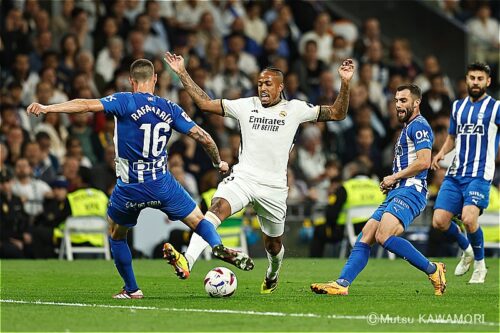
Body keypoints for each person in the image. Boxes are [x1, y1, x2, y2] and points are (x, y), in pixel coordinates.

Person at [26, 58, 254, 299]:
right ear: (155, 79)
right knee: (199, 220)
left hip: (130, 188)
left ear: (131, 81)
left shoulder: (123, 100)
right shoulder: (169, 107)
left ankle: (132, 289)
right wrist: (218, 161)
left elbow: (84, 104)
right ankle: (216, 244)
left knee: (116, 234)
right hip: (162, 184)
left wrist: (49, 108)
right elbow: (204, 137)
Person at [165, 51, 355, 293]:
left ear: (280, 86)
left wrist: (345, 83)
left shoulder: (295, 109)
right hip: (243, 177)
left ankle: (272, 273)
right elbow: (204, 103)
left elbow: (338, 113)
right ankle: (187, 260)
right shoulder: (246, 105)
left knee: (274, 245)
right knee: (216, 208)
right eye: (259, 84)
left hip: (274, 187)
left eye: (268, 84)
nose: (262, 88)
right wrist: (182, 72)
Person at [311, 84, 447, 296]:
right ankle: (342, 284)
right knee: (365, 236)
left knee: (383, 236)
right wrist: (393, 182)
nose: (398, 105)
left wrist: (394, 177)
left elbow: (424, 162)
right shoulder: (407, 127)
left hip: (411, 191)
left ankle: (433, 269)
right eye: (396, 101)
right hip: (399, 190)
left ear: (417, 102)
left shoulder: (419, 126)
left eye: (403, 100)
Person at [431, 62, 499, 284]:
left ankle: (480, 266)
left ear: (488, 82)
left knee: (470, 219)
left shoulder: (496, 108)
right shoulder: (457, 107)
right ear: (467, 80)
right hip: (456, 172)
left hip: (480, 174)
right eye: (472, 78)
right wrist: (440, 153)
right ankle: (467, 250)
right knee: (439, 221)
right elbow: (452, 137)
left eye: (480, 79)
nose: (476, 82)